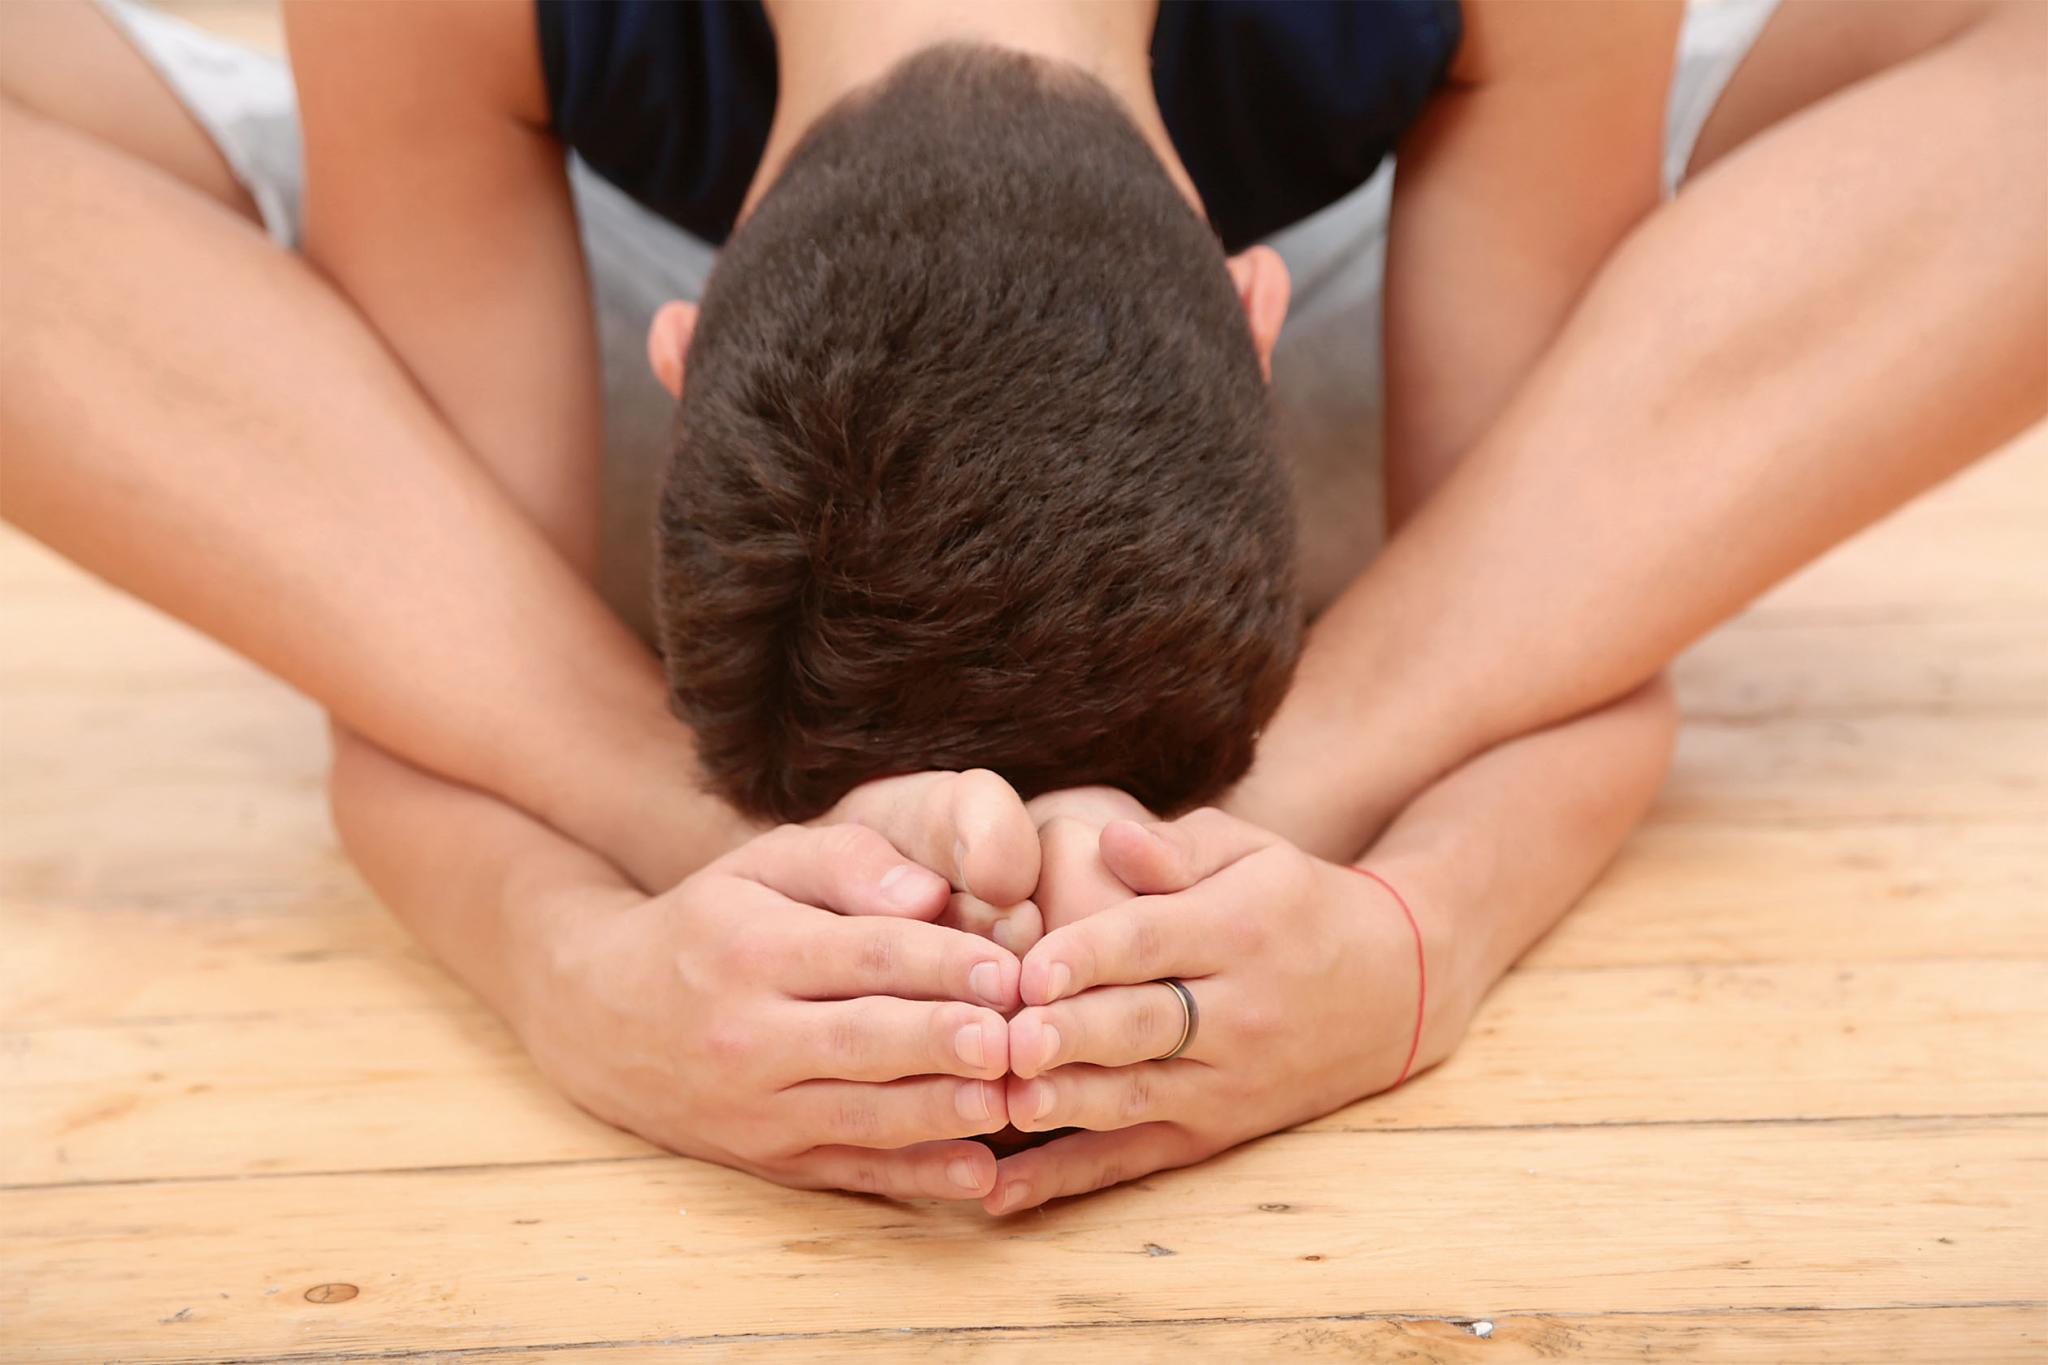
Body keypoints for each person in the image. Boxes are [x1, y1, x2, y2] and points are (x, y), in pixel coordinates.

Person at [2, 0, 2041, 1216]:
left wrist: (1412, 943)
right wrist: (576, 960)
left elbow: (1577, 623)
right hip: (559, 240)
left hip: (1403, 214)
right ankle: (709, 781)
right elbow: (409, 646)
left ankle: (1335, 711)